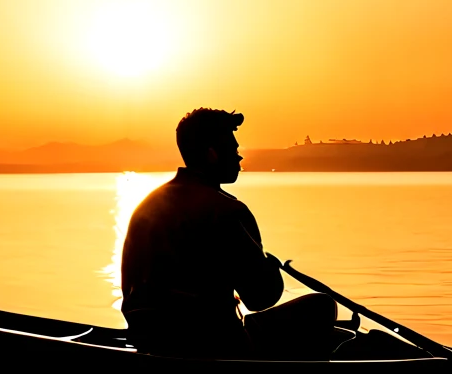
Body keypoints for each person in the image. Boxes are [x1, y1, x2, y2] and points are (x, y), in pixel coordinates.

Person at [121, 107, 338, 357]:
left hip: (150, 340)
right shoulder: (226, 211)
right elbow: (261, 298)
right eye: (233, 150)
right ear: (212, 155)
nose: (239, 158)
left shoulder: (148, 205)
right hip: (217, 346)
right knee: (321, 306)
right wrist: (270, 267)